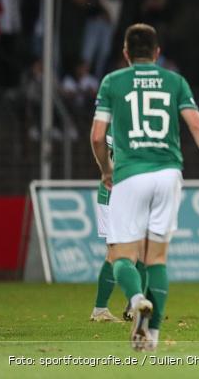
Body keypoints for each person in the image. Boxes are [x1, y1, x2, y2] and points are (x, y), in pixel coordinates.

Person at [90, 23, 199, 351]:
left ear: (126, 53)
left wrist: (106, 170)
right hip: (169, 174)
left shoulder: (113, 82)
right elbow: (197, 124)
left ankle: (137, 299)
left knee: (122, 256)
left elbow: (98, 136)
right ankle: (151, 335)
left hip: (129, 174)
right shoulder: (175, 82)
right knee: (156, 259)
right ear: (157, 53)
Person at [89, 134, 146, 323]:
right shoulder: (122, 122)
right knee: (115, 254)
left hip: (133, 194)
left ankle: (134, 305)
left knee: (142, 250)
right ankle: (101, 309)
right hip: (114, 195)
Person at [81, 0, 123, 79]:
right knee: (87, 53)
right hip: (93, 29)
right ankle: (84, 77)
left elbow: (111, 19)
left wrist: (102, 6)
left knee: (103, 55)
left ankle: (98, 78)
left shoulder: (117, 1)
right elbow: (88, 7)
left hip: (107, 33)